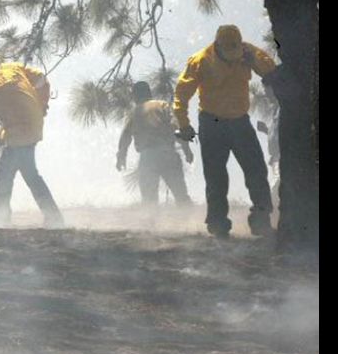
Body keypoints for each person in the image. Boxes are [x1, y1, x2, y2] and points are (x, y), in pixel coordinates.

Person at [174, 24, 278, 239]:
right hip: (212, 123)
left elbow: (272, 71)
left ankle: (261, 221)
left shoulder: (247, 52)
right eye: (228, 53)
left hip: (240, 121)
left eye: (236, 52)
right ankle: (218, 224)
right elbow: (182, 95)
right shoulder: (201, 60)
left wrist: (255, 61)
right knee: (216, 176)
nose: (233, 57)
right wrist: (184, 124)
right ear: (218, 46)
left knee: (257, 170)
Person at [0, 47, 64, 227]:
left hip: (18, 131)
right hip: (34, 123)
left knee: (6, 174)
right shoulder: (12, 67)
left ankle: (1, 219)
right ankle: (52, 217)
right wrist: (42, 104)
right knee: (28, 173)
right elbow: (41, 79)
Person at [117, 81, 193, 205]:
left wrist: (121, 156)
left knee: (149, 200)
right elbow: (176, 127)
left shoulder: (135, 112)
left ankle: (150, 222)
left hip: (148, 156)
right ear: (149, 93)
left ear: (135, 95)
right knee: (181, 195)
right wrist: (186, 149)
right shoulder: (163, 105)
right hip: (168, 153)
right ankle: (188, 221)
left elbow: (126, 136)